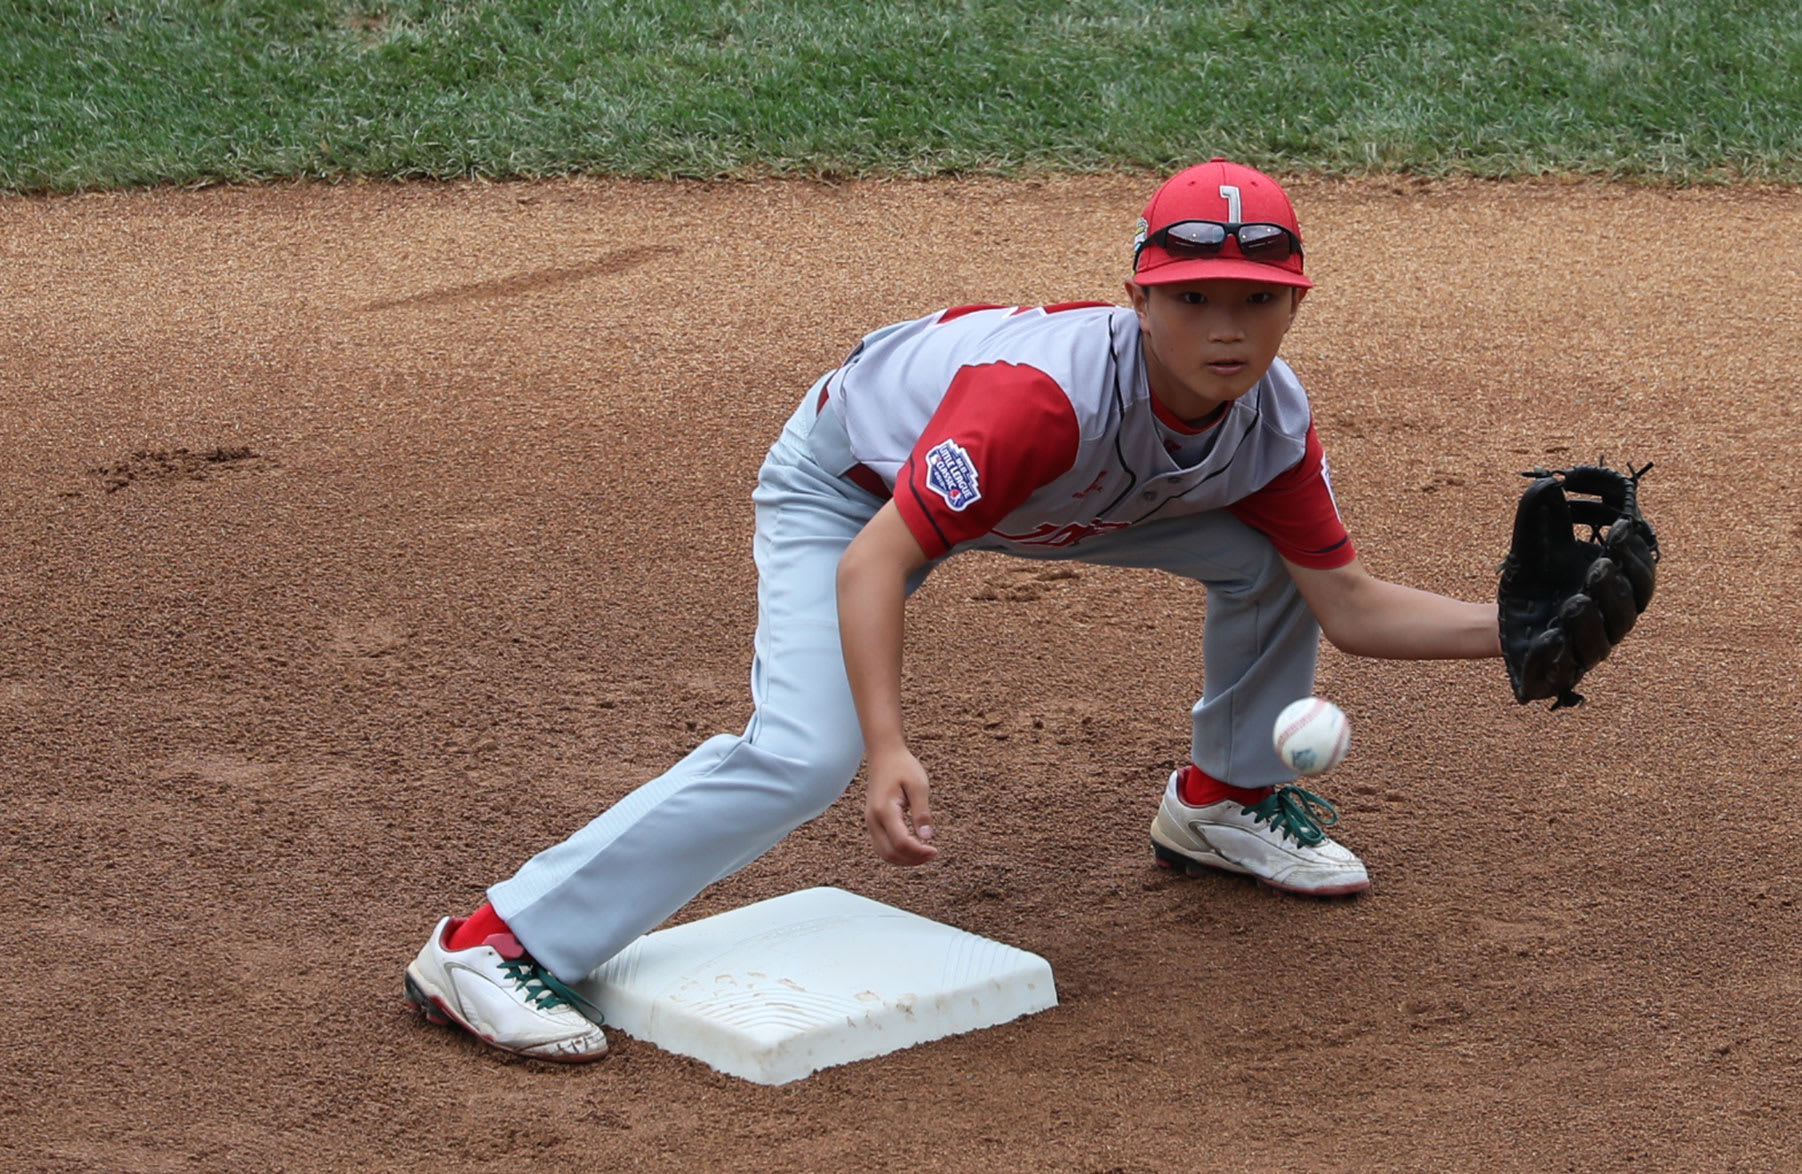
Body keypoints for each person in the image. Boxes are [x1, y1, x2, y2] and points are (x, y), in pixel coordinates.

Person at [403, 159, 1502, 1064]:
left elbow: (1345, 607)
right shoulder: (1037, 395)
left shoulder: (1266, 421)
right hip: (857, 492)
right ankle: (496, 942)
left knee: (1269, 559)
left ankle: (1222, 798)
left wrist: (1517, 624)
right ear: (1139, 298)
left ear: (1296, 302)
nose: (1226, 327)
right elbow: (872, 563)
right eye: (1192, 297)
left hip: (1064, 498)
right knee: (804, 754)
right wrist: (884, 744)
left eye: (1256, 299)